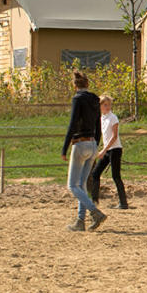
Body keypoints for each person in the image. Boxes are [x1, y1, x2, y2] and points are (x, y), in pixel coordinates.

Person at [62, 71, 106, 231]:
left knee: (72, 186)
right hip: (93, 143)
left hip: (80, 143)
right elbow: (98, 123)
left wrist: (64, 147)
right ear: (87, 84)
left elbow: (73, 123)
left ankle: (95, 212)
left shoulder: (77, 99)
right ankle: (80, 221)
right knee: (81, 184)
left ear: (75, 85)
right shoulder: (95, 99)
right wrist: (97, 142)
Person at [87, 94, 129, 210]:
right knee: (95, 173)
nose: (108, 107)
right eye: (105, 105)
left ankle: (123, 203)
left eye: (109, 105)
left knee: (116, 176)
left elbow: (114, 137)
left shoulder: (113, 118)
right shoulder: (102, 118)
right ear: (100, 106)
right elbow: (102, 136)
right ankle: (94, 201)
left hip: (114, 150)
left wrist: (103, 150)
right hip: (107, 150)